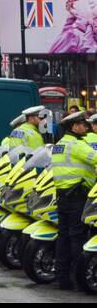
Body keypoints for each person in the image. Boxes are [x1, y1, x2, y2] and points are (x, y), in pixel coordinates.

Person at [52, 110, 97, 290]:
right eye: (81, 124)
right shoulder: (77, 145)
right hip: (77, 197)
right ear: (74, 126)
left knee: (63, 236)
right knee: (77, 237)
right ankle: (79, 277)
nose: (84, 127)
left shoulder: (59, 145)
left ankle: (62, 276)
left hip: (62, 196)